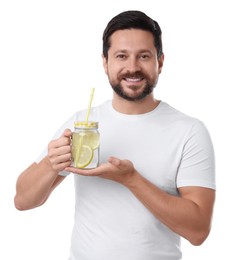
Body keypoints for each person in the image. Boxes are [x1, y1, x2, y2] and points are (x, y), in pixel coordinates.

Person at [14, 10, 216, 260]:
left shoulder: (189, 132)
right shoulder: (83, 124)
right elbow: (22, 200)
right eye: (121, 56)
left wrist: (131, 179)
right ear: (105, 62)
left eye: (143, 56)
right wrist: (49, 164)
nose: (132, 68)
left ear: (160, 62)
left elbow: (198, 231)